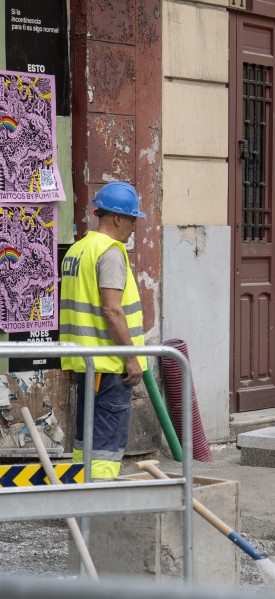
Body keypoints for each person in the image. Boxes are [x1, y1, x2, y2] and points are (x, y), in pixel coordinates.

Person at [59, 181, 147, 478]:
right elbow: (112, 309)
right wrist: (131, 358)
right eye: (133, 219)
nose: (134, 227)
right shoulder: (109, 251)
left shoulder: (78, 249)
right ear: (118, 218)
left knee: (87, 438)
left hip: (87, 361)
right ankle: (100, 506)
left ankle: (81, 496)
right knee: (107, 442)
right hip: (110, 364)